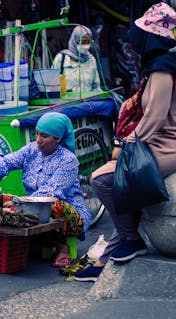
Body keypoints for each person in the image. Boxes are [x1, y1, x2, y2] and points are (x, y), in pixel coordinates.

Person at [74, 2, 176, 282]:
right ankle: (123, 242)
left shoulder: (163, 70)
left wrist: (127, 144)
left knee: (102, 179)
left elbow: (154, 117)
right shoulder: (163, 65)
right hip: (159, 144)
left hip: (166, 147)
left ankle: (131, 238)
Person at [0, 111, 92, 267]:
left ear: (57, 139)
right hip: (30, 206)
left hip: (68, 213)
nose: (38, 140)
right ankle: (33, 242)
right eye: (37, 134)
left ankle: (63, 248)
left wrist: (18, 205)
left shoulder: (69, 161)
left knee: (51, 205)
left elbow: (49, 192)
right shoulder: (31, 150)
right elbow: (6, 161)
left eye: (44, 136)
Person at [52, 25, 102, 93]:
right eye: (83, 42)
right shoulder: (61, 59)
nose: (86, 46)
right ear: (75, 40)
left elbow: (96, 86)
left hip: (87, 102)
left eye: (88, 42)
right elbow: (52, 85)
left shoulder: (91, 60)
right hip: (67, 102)